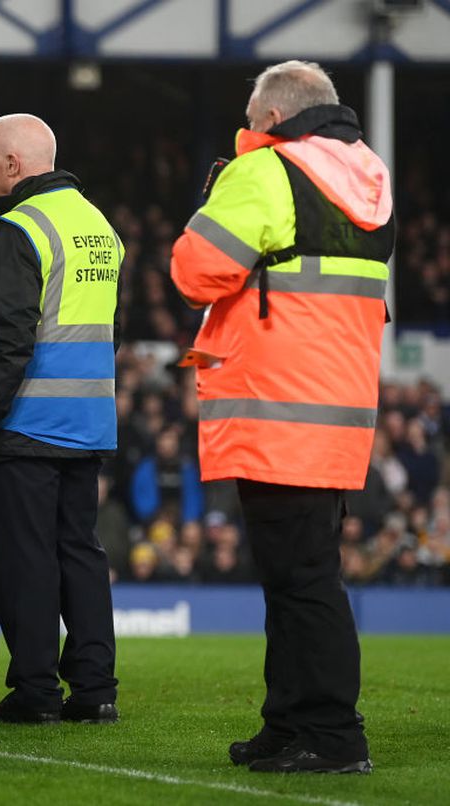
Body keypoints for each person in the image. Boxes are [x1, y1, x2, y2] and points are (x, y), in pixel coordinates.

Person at [170, 60, 391, 774]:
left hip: (275, 409)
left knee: (303, 581)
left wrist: (221, 194)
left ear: (270, 119)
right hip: (336, 411)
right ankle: (290, 720)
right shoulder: (367, 175)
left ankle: (332, 734)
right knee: (298, 577)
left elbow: (193, 272)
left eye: (250, 121)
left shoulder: (267, 171)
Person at [0, 113, 121, 724]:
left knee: (26, 559)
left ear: (13, 164)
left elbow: (10, 342)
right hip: (89, 419)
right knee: (81, 552)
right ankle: (95, 688)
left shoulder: (16, 229)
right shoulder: (98, 225)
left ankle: (35, 689)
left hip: (27, 422)